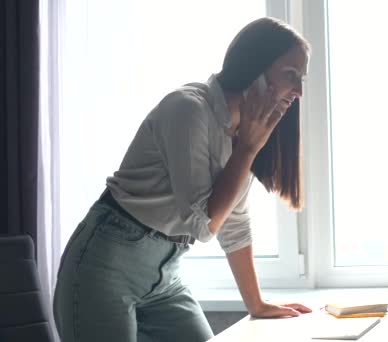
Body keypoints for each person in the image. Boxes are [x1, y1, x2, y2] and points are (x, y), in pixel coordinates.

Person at [53, 17, 313, 342]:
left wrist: (256, 304)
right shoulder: (188, 110)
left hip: (165, 271)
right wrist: (247, 148)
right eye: (291, 75)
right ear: (255, 68)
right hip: (107, 262)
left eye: (302, 79)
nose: (300, 91)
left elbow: (233, 221)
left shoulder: (245, 131)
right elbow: (203, 225)